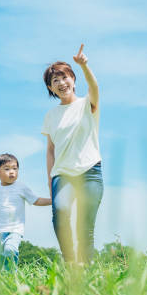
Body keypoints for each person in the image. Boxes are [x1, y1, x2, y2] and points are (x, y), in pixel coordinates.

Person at [41, 44, 104, 264]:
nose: (61, 83)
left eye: (64, 77)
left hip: (90, 171)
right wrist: (50, 180)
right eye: (54, 81)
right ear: (51, 88)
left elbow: (94, 87)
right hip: (62, 174)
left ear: (73, 80)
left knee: (85, 226)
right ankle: (69, 262)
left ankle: (85, 267)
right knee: (60, 212)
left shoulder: (87, 104)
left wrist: (84, 66)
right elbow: (50, 150)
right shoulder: (51, 115)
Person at [0, 153, 51, 270]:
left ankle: (10, 275)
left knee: (10, 250)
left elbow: (36, 200)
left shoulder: (21, 187)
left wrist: (52, 201)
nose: (12, 172)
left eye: (15, 168)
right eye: (7, 169)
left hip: (14, 230)